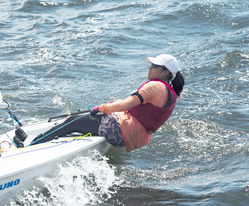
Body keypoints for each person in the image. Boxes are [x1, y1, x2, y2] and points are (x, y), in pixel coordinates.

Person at [28, 54, 184, 152]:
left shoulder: (155, 86)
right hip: (135, 137)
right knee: (81, 119)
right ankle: (50, 142)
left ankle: (31, 147)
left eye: (154, 66)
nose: (150, 68)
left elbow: (126, 105)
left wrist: (101, 108)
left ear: (166, 73)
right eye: (151, 64)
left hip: (123, 130)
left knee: (72, 121)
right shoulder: (169, 92)